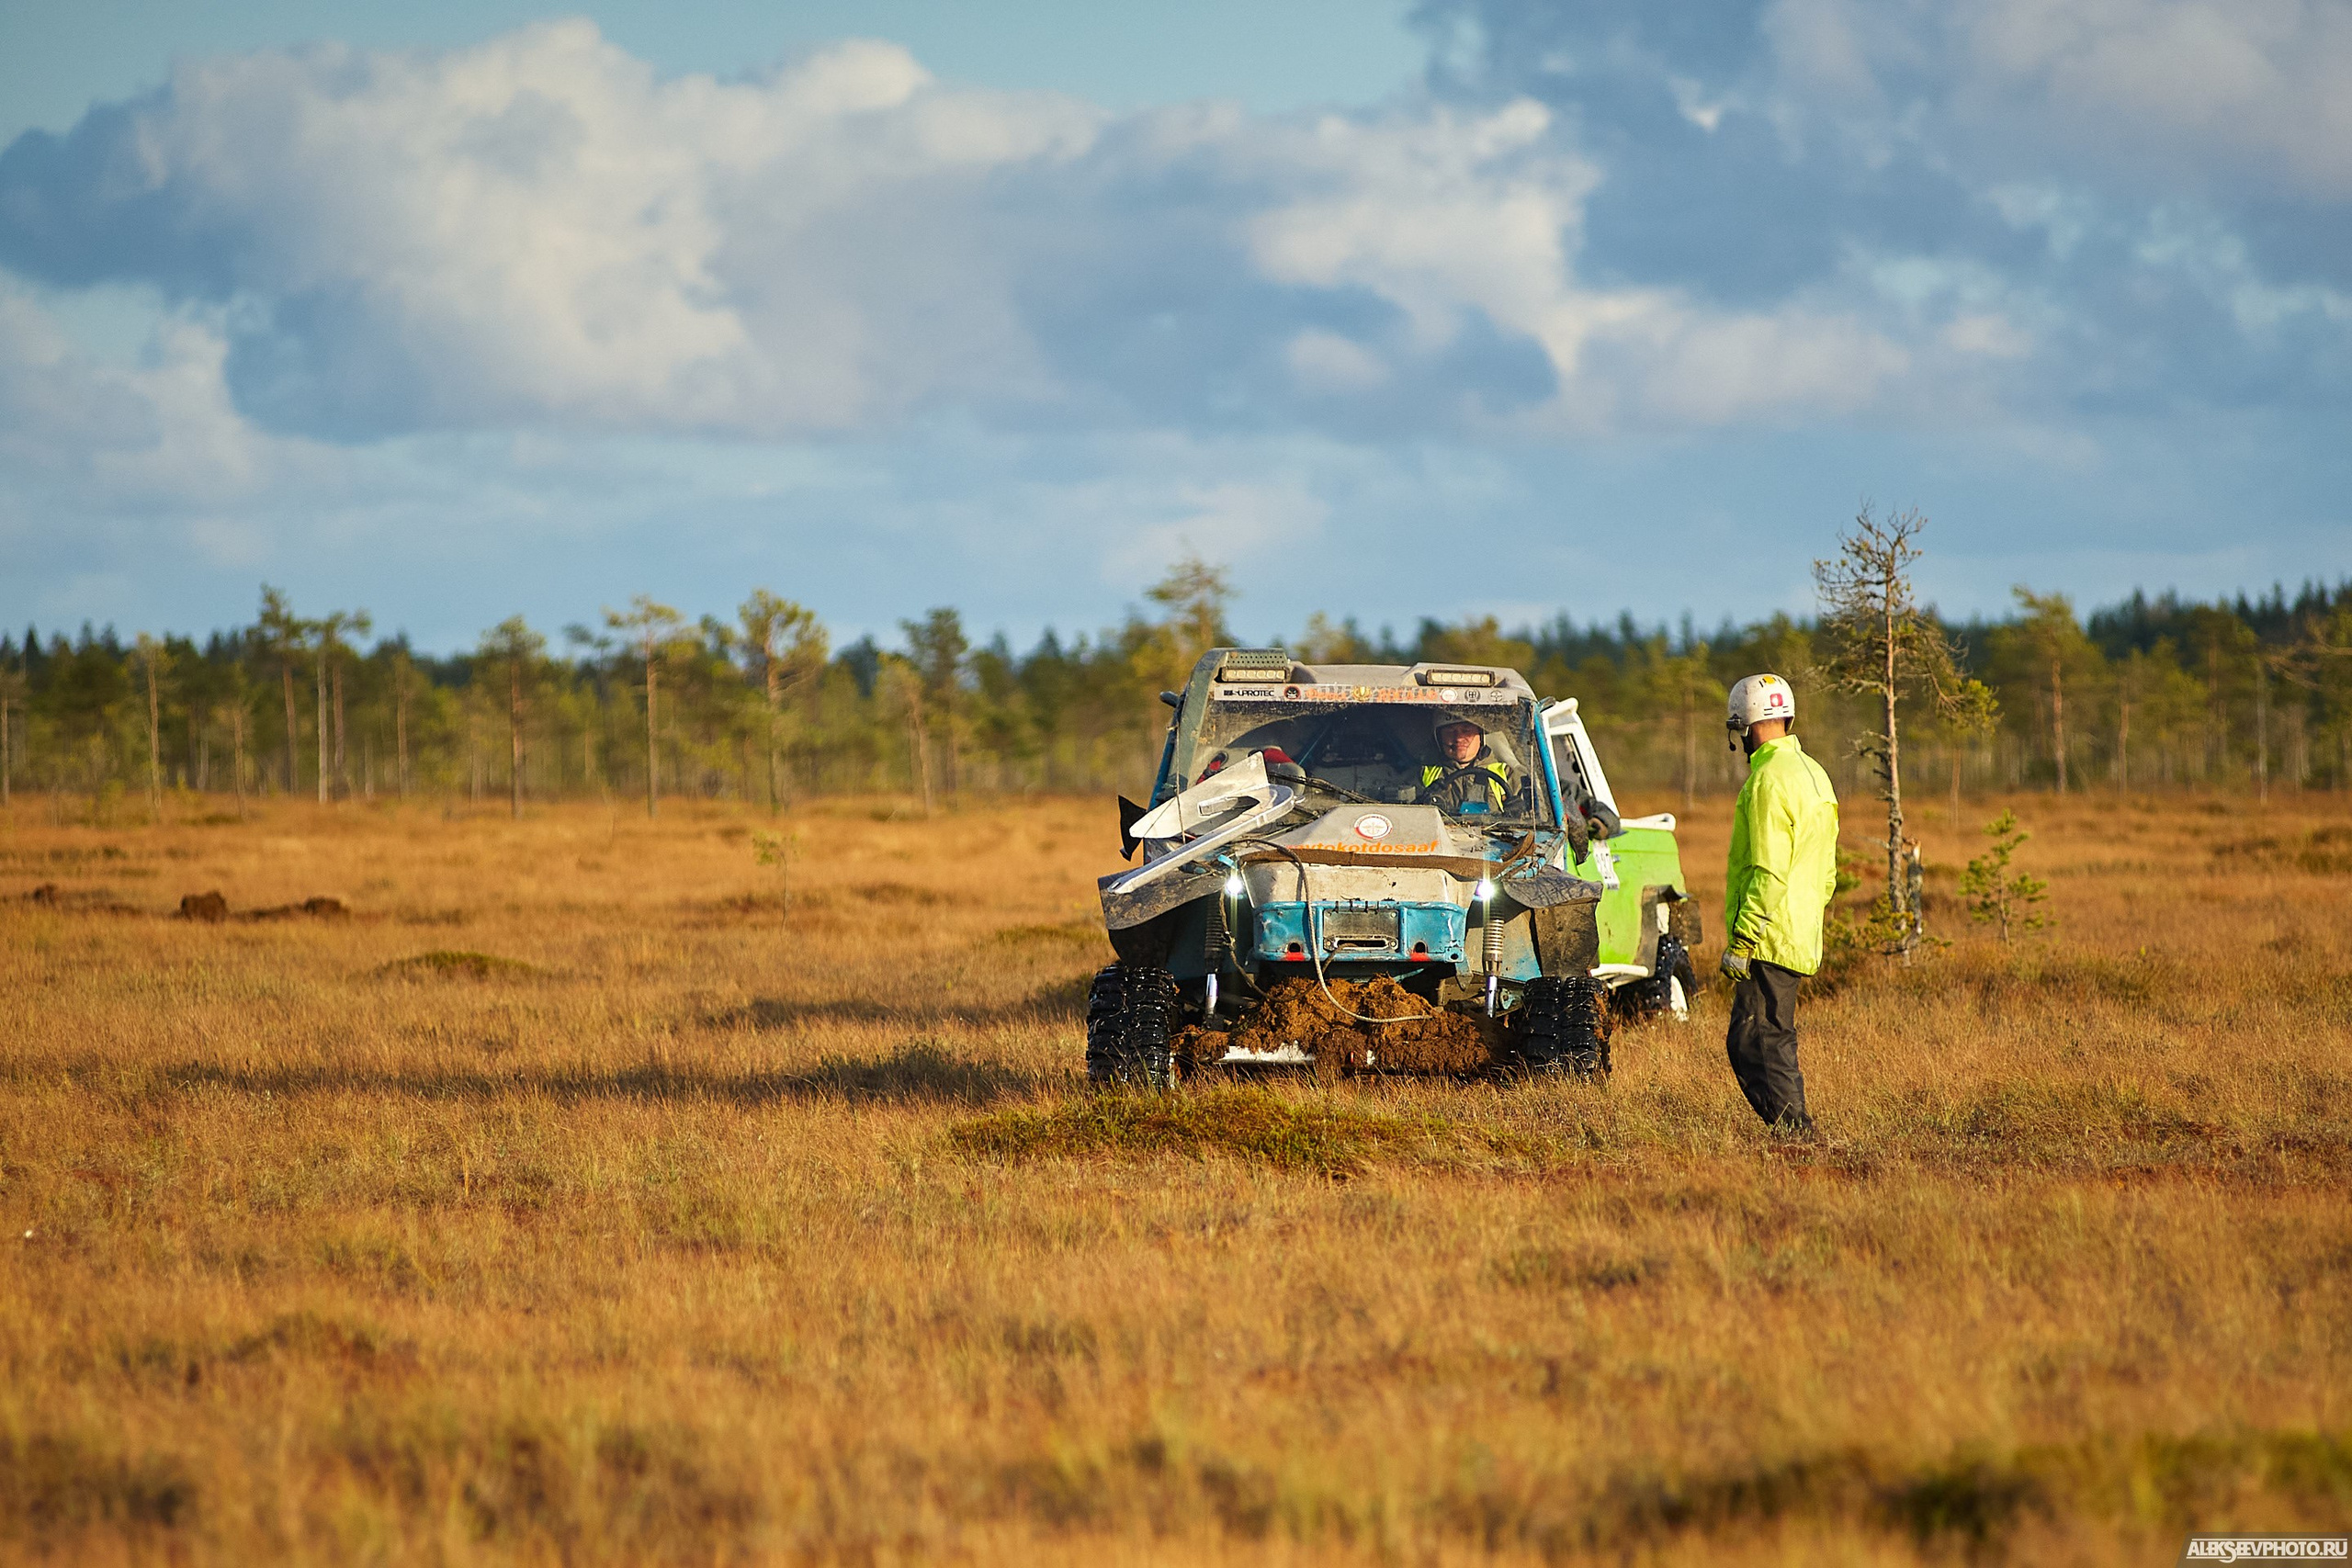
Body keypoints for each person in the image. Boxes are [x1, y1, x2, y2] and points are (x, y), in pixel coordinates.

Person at [1719, 672, 1839, 1134]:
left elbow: (1767, 870)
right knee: (1764, 1035)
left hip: (1768, 934)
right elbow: (1827, 869)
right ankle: (1792, 1133)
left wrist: (1745, 939)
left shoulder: (1768, 780)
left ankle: (1796, 1135)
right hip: (1798, 928)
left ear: (1749, 726)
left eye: (1739, 730)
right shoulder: (1814, 774)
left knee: (1757, 1041)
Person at [1418, 715, 1513, 814]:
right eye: (1450, 731)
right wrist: (1421, 802)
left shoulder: (1507, 774)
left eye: (1466, 730)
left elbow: (1529, 820)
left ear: (1481, 735)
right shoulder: (1421, 775)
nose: (1458, 738)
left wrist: (1520, 814)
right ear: (1439, 737)